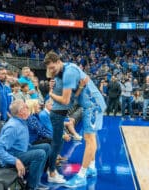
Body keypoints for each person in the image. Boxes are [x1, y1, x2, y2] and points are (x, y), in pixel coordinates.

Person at [44, 51, 106, 188]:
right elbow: (74, 95)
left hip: (92, 105)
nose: (52, 71)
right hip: (90, 104)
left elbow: (66, 101)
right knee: (91, 138)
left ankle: (82, 175)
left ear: (59, 61)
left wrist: (50, 93)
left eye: (53, 67)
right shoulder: (66, 69)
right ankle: (92, 167)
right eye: (49, 69)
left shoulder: (68, 73)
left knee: (89, 139)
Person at [0, 99, 50, 190]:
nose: (28, 108)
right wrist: (15, 161)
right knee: (40, 154)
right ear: (21, 112)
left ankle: (34, 180)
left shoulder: (22, 121)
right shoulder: (13, 127)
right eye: (26, 107)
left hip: (21, 151)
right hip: (11, 157)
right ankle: (30, 187)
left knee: (46, 147)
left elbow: (20, 142)